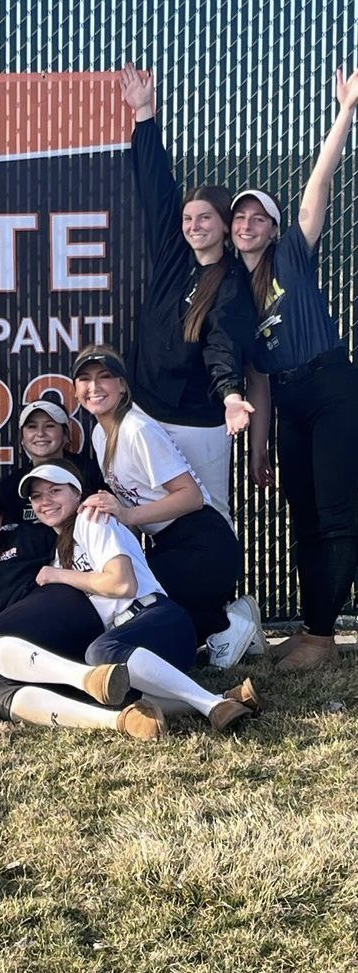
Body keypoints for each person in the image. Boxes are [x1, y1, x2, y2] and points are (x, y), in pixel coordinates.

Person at [0, 461, 258, 737]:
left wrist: (59, 576)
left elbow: (122, 583)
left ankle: (212, 706)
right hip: (134, 646)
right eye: (37, 496)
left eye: (55, 491)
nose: (45, 501)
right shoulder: (62, 549)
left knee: (101, 654)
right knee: (107, 688)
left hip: (158, 621)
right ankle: (228, 698)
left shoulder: (91, 520)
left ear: (77, 493)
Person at [230, 67, 358, 670]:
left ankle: (320, 632)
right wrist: (258, 450)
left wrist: (346, 112)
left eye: (259, 217)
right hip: (288, 401)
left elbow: (318, 185)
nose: (248, 224)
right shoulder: (234, 294)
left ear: (275, 229)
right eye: (240, 218)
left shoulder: (292, 258)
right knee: (304, 516)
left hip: (331, 387)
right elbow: (257, 378)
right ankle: (317, 633)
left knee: (335, 513)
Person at [119, 62, 268, 528]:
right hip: (144, 413)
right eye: (189, 219)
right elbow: (157, 191)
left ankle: (221, 601)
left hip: (198, 424)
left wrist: (229, 396)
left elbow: (223, 344)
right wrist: (144, 116)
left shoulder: (230, 283)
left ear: (225, 225)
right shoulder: (171, 256)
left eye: (204, 218)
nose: (193, 226)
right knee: (141, 516)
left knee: (208, 516)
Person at [71, 346, 265, 667]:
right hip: (172, 545)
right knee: (132, 591)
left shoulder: (137, 429)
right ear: (75, 389)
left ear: (122, 385)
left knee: (139, 598)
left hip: (204, 546)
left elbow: (191, 497)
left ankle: (224, 626)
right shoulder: (99, 435)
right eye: (85, 379)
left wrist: (128, 514)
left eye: (105, 377)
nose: (94, 387)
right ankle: (229, 621)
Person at [0, 482, 109, 691]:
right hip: (12, 661)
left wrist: (95, 505)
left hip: (67, 634)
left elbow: (72, 529)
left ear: (1, 519)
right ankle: (90, 681)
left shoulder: (26, 538)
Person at [0, 400, 104, 524]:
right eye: (32, 426)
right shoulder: (11, 485)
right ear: (22, 438)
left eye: (49, 425)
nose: (40, 433)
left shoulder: (90, 472)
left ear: (65, 434)